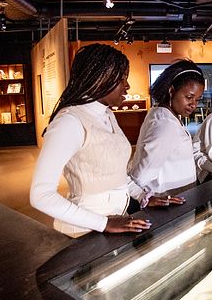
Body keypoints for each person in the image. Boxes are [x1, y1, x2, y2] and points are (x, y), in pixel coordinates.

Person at [30, 43, 152, 238]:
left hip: (117, 222)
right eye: (121, 78)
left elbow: (117, 174)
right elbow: (40, 195)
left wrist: (143, 196)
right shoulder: (69, 122)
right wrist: (104, 224)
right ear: (100, 78)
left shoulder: (107, 114)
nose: (127, 85)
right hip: (84, 231)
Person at [129, 60, 205, 203]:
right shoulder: (166, 124)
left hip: (178, 200)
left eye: (197, 99)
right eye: (188, 97)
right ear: (171, 90)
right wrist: (141, 197)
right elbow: (141, 176)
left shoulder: (164, 114)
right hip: (169, 204)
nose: (193, 104)